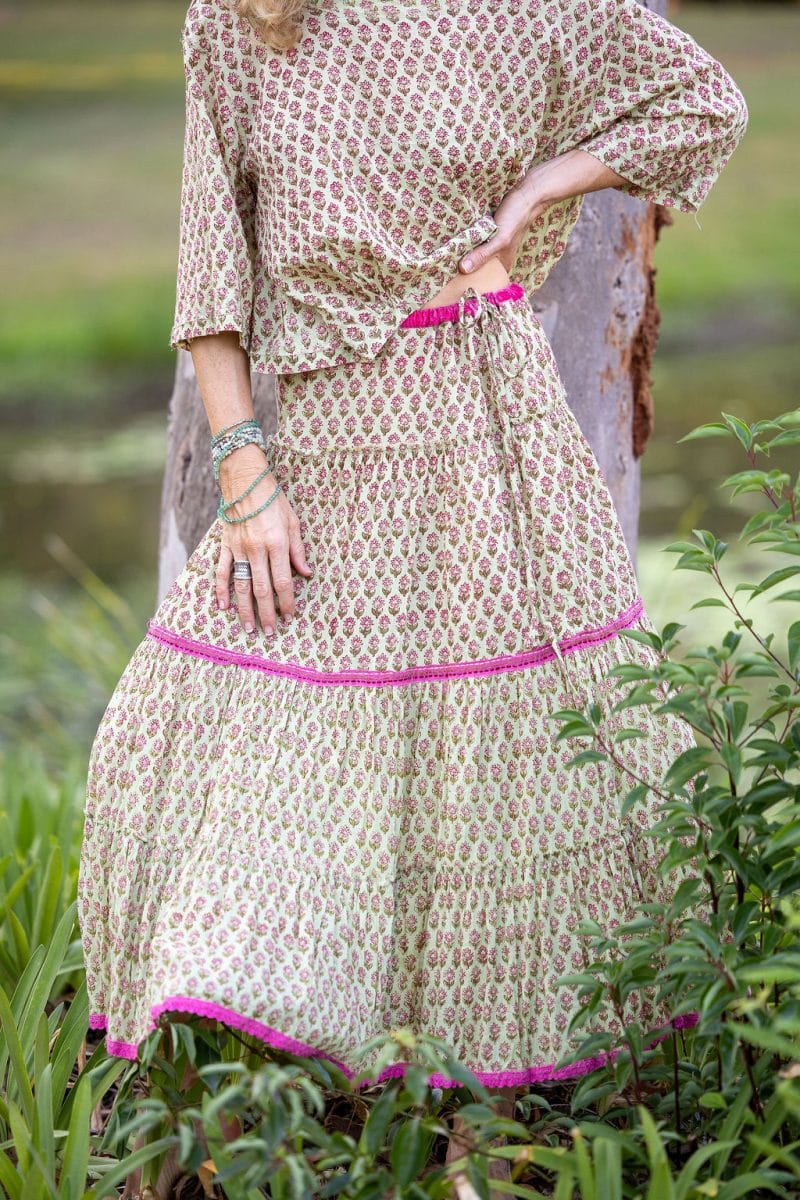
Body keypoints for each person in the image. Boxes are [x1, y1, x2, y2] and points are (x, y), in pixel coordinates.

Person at [77, 0, 748, 1194]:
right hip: (329, 454)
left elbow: (702, 104)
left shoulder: (525, 9)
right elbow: (210, 273)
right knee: (210, 748)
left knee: (498, 776)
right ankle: (240, 1117)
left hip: (497, 438)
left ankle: (482, 1135)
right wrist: (247, 478)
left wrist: (546, 182)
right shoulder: (241, 20)